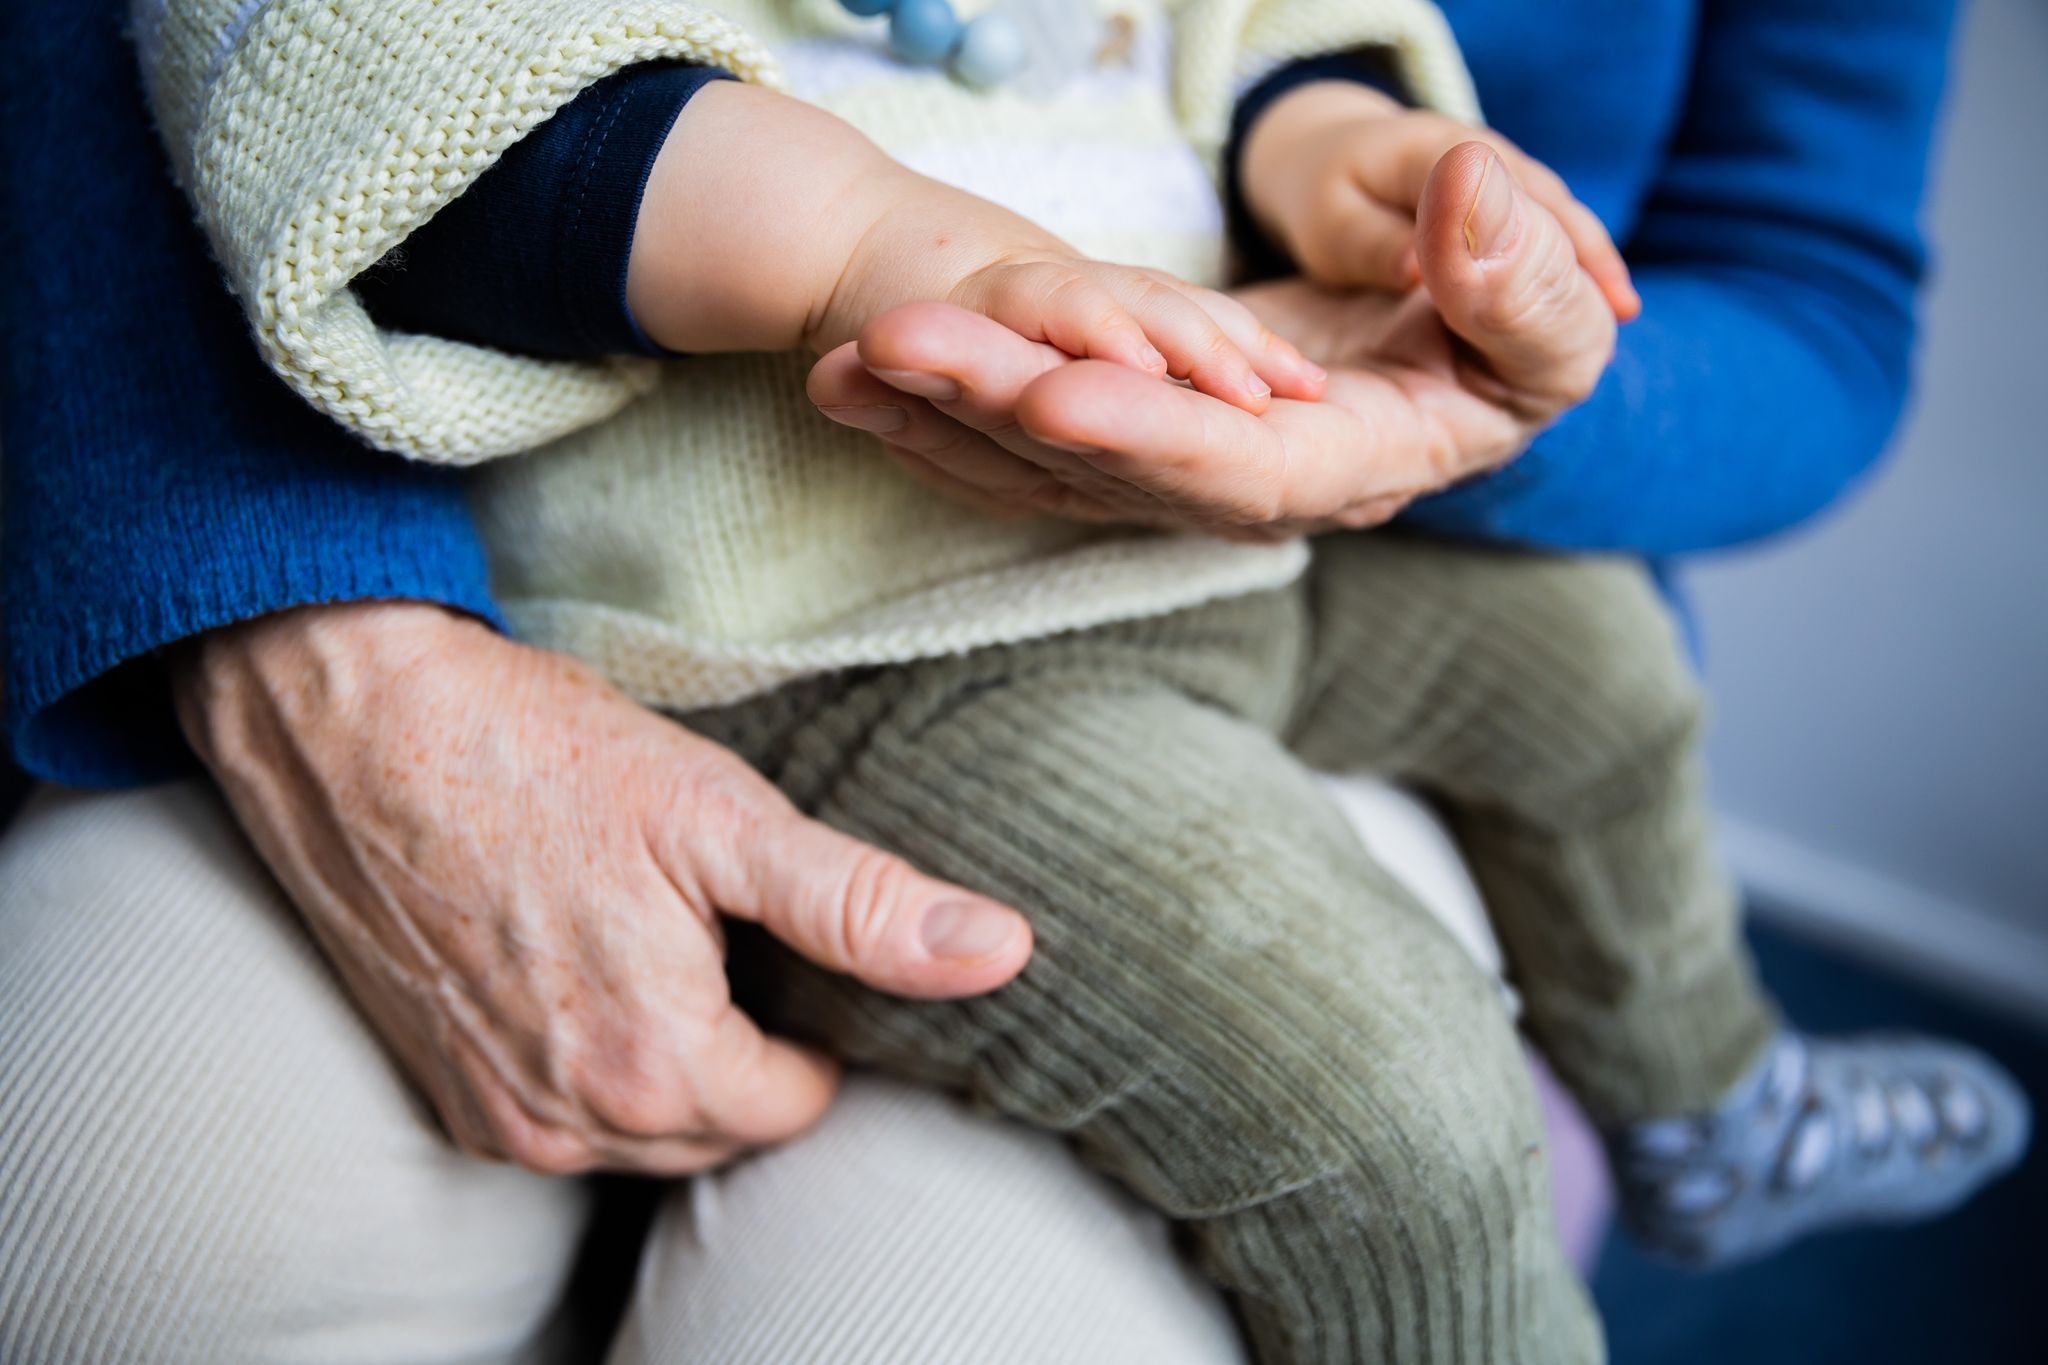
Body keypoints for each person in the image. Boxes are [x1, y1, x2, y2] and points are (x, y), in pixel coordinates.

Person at [0, 3, 2001, 1364]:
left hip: (1250, 526)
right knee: (1378, 1087)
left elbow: (1240, 42)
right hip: (877, 660)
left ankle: (1706, 1087)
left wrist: (1354, 162)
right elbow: (403, 96)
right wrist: (866, 235)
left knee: (1599, 682)